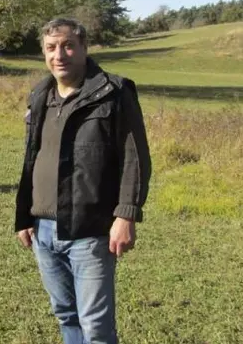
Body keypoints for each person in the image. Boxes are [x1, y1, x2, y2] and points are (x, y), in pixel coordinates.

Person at [14, 18, 152, 344]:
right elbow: (32, 159)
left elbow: (136, 157)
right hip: (44, 230)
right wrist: (24, 216)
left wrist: (126, 214)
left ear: (84, 48)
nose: (59, 55)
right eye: (51, 48)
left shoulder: (114, 92)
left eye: (67, 46)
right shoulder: (40, 95)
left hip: (90, 229)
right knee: (66, 313)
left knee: (95, 326)